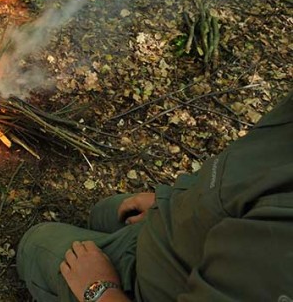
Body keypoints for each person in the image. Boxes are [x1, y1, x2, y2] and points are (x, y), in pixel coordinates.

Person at [17, 91, 293, 302]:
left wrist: (101, 291)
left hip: (148, 283)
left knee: (35, 243)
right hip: (182, 231)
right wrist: (177, 202)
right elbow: (249, 178)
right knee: (103, 211)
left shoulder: (280, 253)